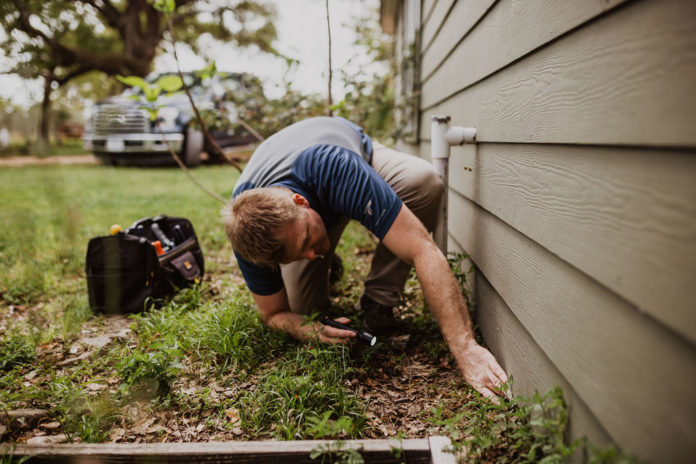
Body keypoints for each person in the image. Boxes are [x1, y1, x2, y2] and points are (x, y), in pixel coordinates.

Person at [222, 116, 508, 398]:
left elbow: (423, 249)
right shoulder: (248, 234)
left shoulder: (335, 167)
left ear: (300, 202)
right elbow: (273, 313)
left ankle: (378, 300)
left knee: (423, 182)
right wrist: (308, 329)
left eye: (308, 240)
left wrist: (466, 348)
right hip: (307, 198)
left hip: (345, 151)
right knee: (304, 307)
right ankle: (323, 254)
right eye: (298, 256)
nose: (311, 254)